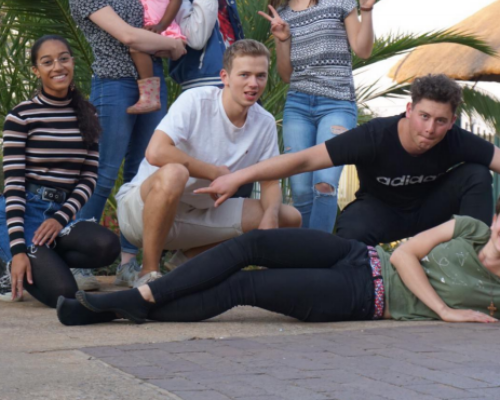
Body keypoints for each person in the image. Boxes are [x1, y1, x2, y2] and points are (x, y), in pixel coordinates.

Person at [56, 208, 500, 325]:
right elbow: (403, 254)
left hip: (365, 297)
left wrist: (449, 314)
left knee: (244, 288)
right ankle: (138, 298)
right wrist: (444, 310)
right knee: (253, 243)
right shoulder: (471, 228)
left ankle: (116, 308)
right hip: (359, 255)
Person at [196, 74, 500, 246]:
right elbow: (302, 161)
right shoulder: (374, 136)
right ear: (409, 110)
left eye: (440, 121)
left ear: (451, 122)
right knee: (350, 228)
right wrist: (237, 177)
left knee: (476, 173)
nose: (430, 128)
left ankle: (475, 264)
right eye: (424, 116)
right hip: (382, 212)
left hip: (430, 212)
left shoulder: (457, 139)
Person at [113, 39, 301, 287]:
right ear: (225, 77)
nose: (253, 84)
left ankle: (187, 261)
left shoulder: (264, 122)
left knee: (289, 217)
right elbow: (155, 152)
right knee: (175, 173)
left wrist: (270, 217)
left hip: (196, 216)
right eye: (244, 75)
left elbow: (270, 182)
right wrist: (215, 173)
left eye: (260, 76)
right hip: (139, 213)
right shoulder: (196, 100)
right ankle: (148, 272)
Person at [68, 0, 186, 289]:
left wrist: (166, 41)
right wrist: (171, 45)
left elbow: (155, 13)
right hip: (114, 83)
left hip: (152, 82)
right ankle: (79, 262)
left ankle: (129, 262)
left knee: (142, 174)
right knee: (103, 172)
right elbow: (129, 36)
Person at [258, 0, 376, 233]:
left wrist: (366, 11)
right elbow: (286, 75)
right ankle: (303, 253)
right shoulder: (282, 14)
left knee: (324, 184)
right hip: (298, 105)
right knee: (300, 191)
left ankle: (318, 254)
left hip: (337, 104)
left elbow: (363, 50)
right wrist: (282, 39)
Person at [0, 35, 120, 308]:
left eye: (63, 58)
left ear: (72, 62)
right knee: (64, 293)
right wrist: (18, 250)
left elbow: (88, 177)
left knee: (107, 246)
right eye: (47, 62)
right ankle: (8, 256)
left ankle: (43, 258)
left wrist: (60, 217)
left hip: (59, 215)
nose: (58, 67)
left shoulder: (87, 114)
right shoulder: (21, 117)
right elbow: (14, 185)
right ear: (36, 70)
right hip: (24, 212)